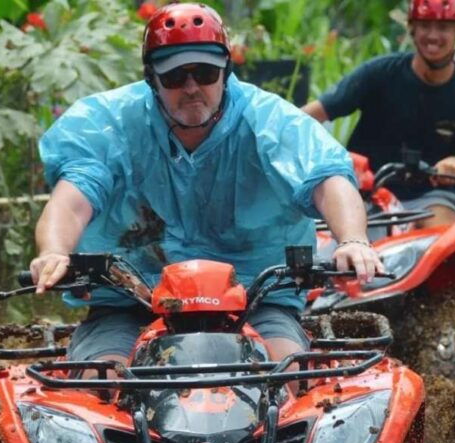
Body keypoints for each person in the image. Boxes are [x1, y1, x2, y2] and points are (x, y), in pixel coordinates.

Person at [29, 3, 383, 376]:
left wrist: (353, 240)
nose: (192, 88)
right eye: (174, 76)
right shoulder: (106, 124)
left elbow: (327, 178)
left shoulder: (271, 120)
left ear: (225, 72)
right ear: (152, 79)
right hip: (130, 302)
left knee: (289, 375)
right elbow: (73, 198)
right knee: (100, 382)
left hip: (255, 300)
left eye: (205, 73)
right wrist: (54, 251)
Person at [301, 0, 455, 278]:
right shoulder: (379, 72)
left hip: (430, 195)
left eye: (443, 27)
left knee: (450, 249)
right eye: (425, 26)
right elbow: (310, 115)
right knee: (315, 259)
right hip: (365, 194)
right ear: (412, 29)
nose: (433, 35)